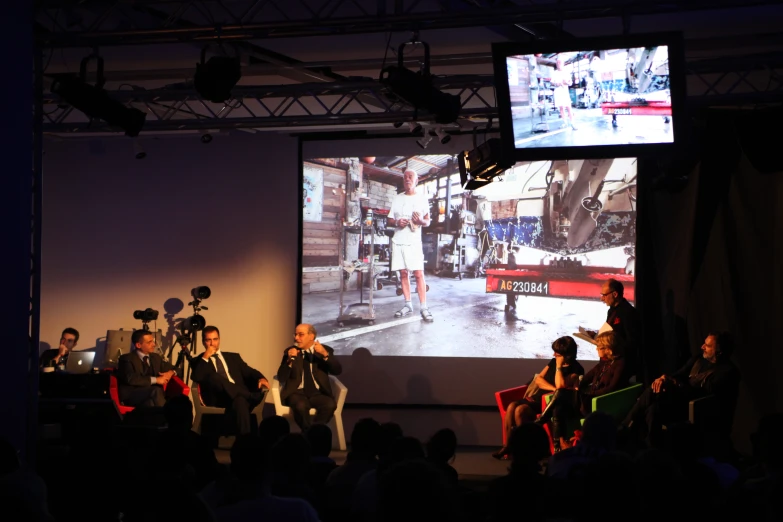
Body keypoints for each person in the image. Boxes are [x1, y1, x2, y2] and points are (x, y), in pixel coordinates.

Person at [620, 332, 740, 449]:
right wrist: (664, 378)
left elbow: (706, 395)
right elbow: (679, 374)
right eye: (704, 343)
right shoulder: (698, 359)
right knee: (653, 408)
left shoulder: (727, 372)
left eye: (708, 346)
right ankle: (650, 448)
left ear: (719, 351)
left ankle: (625, 428)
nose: (702, 347)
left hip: (693, 409)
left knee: (652, 397)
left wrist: (675, 384)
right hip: (677, 400)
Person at [492, 336, 584, 459]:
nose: (553, 354)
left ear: (565, 354)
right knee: (511, 406)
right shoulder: (552, 361)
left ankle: (525, 448)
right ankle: (507, 446)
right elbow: (539, 380)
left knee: (520, 410)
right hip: (538, 396)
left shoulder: (576, 368)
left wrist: (559, 367)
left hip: (550, 402)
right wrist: (554, 389)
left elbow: (560, 384)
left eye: (557, 352)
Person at [537, 331, 629, 451]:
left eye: (598, 347)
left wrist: (588, 393)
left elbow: (611, 388)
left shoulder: (620, 364)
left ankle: (541, 421)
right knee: (558, 407)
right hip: (585, 397)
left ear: (608, 348)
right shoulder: (604, 362)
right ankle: (557, 447)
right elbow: (587, 378)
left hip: (595, 401)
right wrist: (578, 386)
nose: (596, 349)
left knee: (560, 393)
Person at [190, 325, 269, 436]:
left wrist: (261, 378)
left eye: (215, 339)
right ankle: (249, 396)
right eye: (208, 340)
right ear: (203, 342)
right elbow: (196, 377)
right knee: (214, 377)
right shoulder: (199, 361)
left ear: (219, 340)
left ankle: (244, 443)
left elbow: (249, 371)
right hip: (218, 398)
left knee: (240, 401)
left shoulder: (233, 357)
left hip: (237, 397)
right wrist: (206, 356)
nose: (212, 343)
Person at [387, 169, 433, 322]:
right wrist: (397, 222)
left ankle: (424, 307)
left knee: (419, 274)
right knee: (403, 274)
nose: (407, 179)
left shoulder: (422, 199)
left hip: (414, 242)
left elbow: (428, 221)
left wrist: (420, 221)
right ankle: (408, 304)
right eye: (405, 177)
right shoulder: (397, 199)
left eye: (410, 176)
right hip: (399, 240)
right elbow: (389, 220)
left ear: (416, 180)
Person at [277, 323, 342, 431]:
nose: (296, 338)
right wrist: (289, 361)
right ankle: (309, 434)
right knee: (300, 406)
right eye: (295, 334)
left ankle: (314, 431)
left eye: (300, 334)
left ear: (311, 336)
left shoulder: (324, 350)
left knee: (330, 405)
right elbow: (282, 377)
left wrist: (325, 355)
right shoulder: (290, 351)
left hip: (318, 393)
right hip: (297, 393)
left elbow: (337, 371)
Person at [591, 278, 641, 382]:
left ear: (615, 294)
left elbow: (632, 341)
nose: (602, 299)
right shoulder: (611, 311)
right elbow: (610, 331)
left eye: (604, 295)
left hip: (619, 364)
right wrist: (597, 336)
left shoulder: (628, 312)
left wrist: (612, 347)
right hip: (608, 361)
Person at [117, 329, 177, 408]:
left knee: (150, 403)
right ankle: (166, 417)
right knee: (155, 391)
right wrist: (156, 380)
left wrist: (171, 372)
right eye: (149, 342)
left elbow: (176, 369)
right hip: (132, 395)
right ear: (138, 345)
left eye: (153, 341)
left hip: (151, 396)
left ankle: (161, 419)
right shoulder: (126, 359)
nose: (154, 344)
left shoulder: (156, 357)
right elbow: (131, 378)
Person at [551, 56, 576, 130]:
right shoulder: (554, 73)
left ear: (563, 64)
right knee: (561, 108)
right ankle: (564, 122)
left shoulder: (566, 72)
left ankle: (572, 123)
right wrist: (557, 84)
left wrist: (567, 83)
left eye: (560, 62)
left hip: (565, 92)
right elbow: (552, 82)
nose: (558, 64)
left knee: (569, 107)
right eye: (557, 62)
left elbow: (570, 83)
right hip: (558, 92)